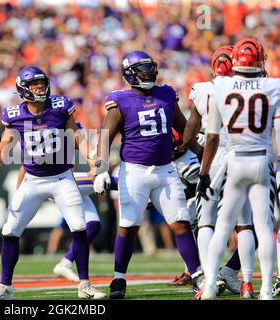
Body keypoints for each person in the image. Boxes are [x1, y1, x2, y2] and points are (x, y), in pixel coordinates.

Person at [0, 66, 106, 300]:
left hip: (61, 178)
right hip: (32, 180)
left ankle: (84, 285)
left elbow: (76, 137)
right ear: (23, 89)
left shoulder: (60, 107)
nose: (39, 87)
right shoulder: (14, 115)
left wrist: (92, 157)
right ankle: (5, 287)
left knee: (79, 227)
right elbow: (3, 148)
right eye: (33, 84)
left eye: (41, 83)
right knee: (10, 230)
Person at [93, 51, 203, 299]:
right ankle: (118, 280)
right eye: (142, 70)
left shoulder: (165, 93)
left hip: (166, 170)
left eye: (150, 68)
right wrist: (99, 170)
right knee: (128, 226)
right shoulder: (120, 99)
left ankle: (197, 276)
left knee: (181, 223)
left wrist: (205, 154)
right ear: (130, 73)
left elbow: (184, 129)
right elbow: (104, 137)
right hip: (134, 172)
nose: (149, 73)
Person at [197, 38, 279, 300]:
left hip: (234, 161)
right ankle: (264, 288)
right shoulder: (273, 86)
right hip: (261, 161)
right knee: (263, 226)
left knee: (222, 226)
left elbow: (211, 137)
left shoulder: (220, 85)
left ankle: (209, 284)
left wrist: (204, 172)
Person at [181, 46, 257, 296]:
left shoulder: (203, 90)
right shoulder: (249, 89)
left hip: (214, 158)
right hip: (243, 155)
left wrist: (201, 155)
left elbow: (189, 132)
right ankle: (246, 284)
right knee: (245, 224)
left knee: (206, 223)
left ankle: (210, 282)